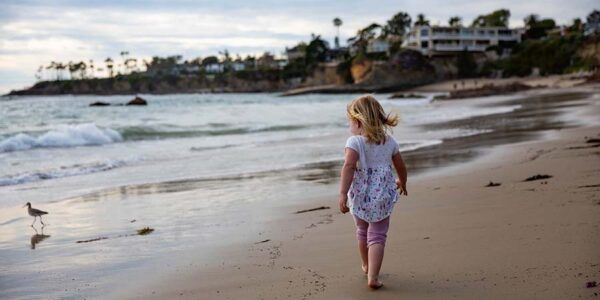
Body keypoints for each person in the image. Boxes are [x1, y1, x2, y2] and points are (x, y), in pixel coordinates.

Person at [338, 94, 408, 289]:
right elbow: (400, 166)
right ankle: (374, 277)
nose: (349, 126)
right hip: (382, 195)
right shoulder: (390, 141)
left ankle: (367, 265)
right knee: (377, 235)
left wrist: (343, 193)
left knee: (362, 230)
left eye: (350, 122)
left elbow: (349, 166)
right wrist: (402, 182)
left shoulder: (354, 142)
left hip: (360, 195)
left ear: (359, 122)